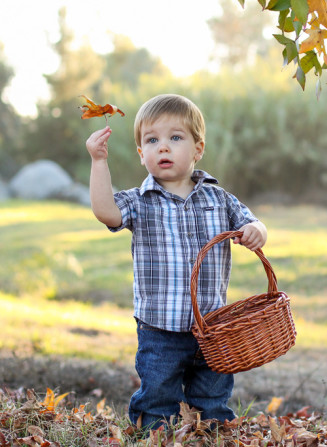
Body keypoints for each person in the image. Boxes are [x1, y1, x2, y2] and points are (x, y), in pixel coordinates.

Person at [85, 93, 267, 430]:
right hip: (159, 328)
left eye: (175, 138)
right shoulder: (140, 202)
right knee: (158, 395)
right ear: (142, 155)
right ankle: (154, 434)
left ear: (198, 149)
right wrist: (99, 162)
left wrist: (255, 230)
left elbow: (251, 222)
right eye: (152, 140)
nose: (163, 147)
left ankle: (211, 433)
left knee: (212, 396)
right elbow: (104, 211)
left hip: (212, 326)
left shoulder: (218, 197)